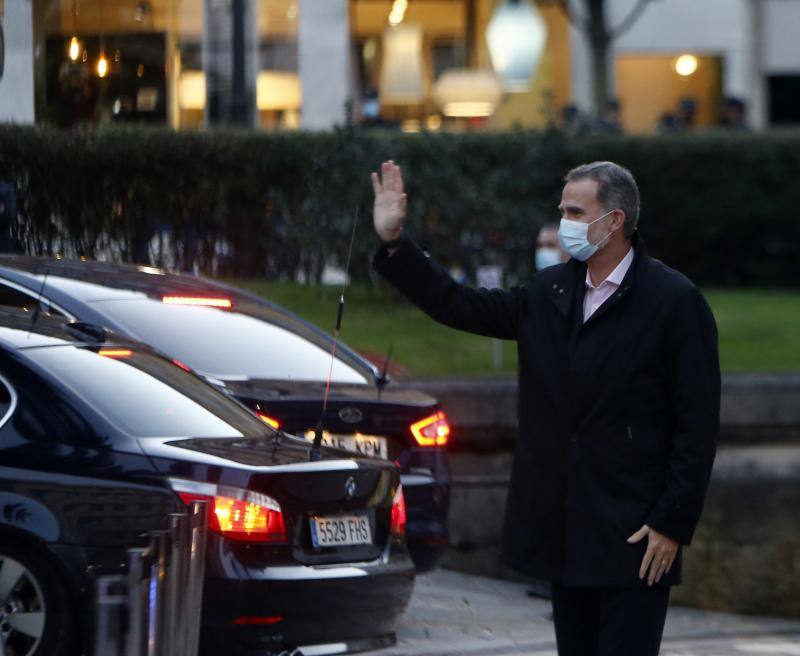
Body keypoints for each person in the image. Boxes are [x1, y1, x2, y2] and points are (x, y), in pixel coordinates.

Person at [370, 160, 720, 656]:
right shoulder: (549, 291)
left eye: (576, 212)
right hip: (565, 527)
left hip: (635, 534)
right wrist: (395, 244)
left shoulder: (673, 301)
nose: (564, 224)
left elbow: (698, 424)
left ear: (614, 220)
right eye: (563, 211)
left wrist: (672, 522)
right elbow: (458, 304)